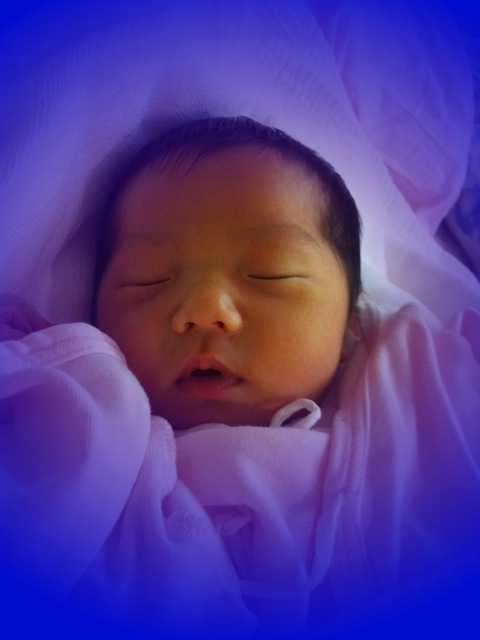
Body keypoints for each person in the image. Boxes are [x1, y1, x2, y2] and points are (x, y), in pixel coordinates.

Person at [93, 115, 362, 430]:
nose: (204, 309)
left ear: (350, 322)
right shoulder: (87, 422)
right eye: (148, 279)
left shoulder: (390, 394)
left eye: (271, 273)